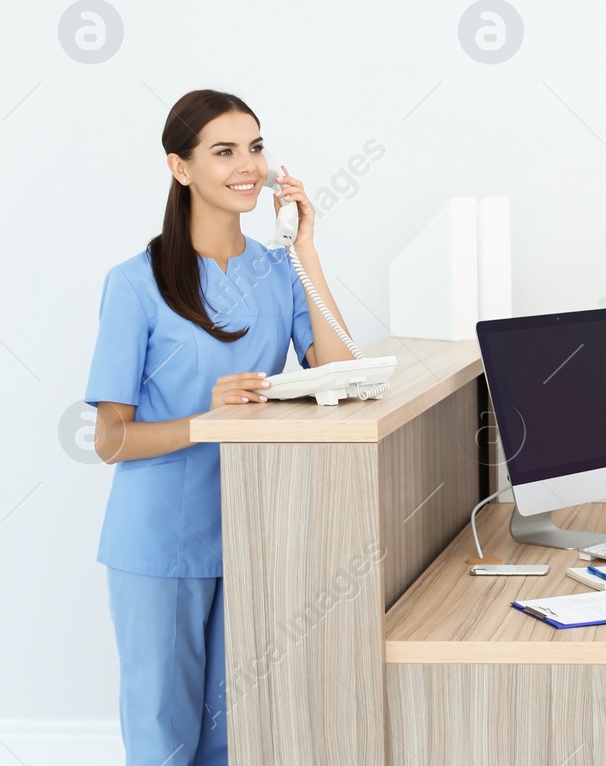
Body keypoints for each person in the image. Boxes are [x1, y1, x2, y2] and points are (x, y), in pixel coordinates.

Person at [83, 89, 356, 765]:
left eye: (256, 147)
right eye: (224, 151)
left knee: (236, 736)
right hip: (161, 537)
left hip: (252, 530)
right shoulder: (135, 283)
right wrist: (205, 420)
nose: (249, 166)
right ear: (181, 168)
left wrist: (306, 248)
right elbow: (111, 438)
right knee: (165, 735)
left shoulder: (276, 270)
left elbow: (342, 376)